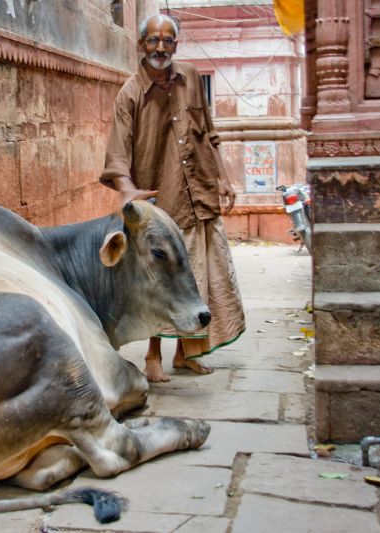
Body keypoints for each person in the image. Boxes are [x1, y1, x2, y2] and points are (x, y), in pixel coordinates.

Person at [100, 13, 246, 382]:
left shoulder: (192, 78)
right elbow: (117, 155)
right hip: (159, 210)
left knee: (197, 280)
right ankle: (152, 355)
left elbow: (209, 133)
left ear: (176, 45)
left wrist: (224, 178)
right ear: (141, 45)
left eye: (168, 41)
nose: (160, 47)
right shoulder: (129, 94)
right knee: (161, 284)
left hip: (198, 195)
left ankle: (185, 354)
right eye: (153, 40)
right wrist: (127, 189)